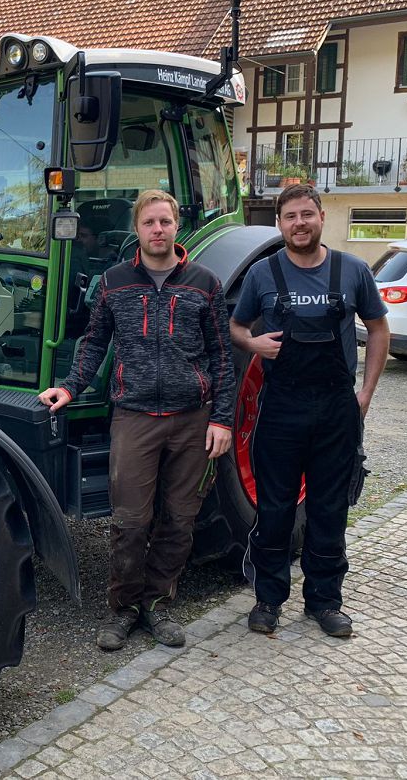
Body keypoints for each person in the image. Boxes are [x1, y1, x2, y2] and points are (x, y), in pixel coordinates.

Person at [39, 189, 235, 651]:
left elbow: (222, 358)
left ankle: (158, 605)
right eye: (150, 223)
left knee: (179, 520)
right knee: (129, 521)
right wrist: (70, 387)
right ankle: (123, 608)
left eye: (165, 222)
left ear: (176, 226)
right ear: (138, 229)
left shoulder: (204, 283)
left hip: (192, 419)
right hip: (134, 417)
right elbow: (94, 342)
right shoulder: (114, 281)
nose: (158, 230)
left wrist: (222, 420)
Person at [229, 184, 389, 638]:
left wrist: (366, 393)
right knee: (275, 508)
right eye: (290, 217)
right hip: (280, 409)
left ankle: (325, 601)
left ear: (322, 217)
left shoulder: (353, 271)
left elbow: (378, 330)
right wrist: (251, 342)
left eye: (306, 214)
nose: (299, 223)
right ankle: (268, 599)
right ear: (279, 224)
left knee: (328, 508)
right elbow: (236, 326)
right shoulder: (263, 274)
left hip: (336, 408)